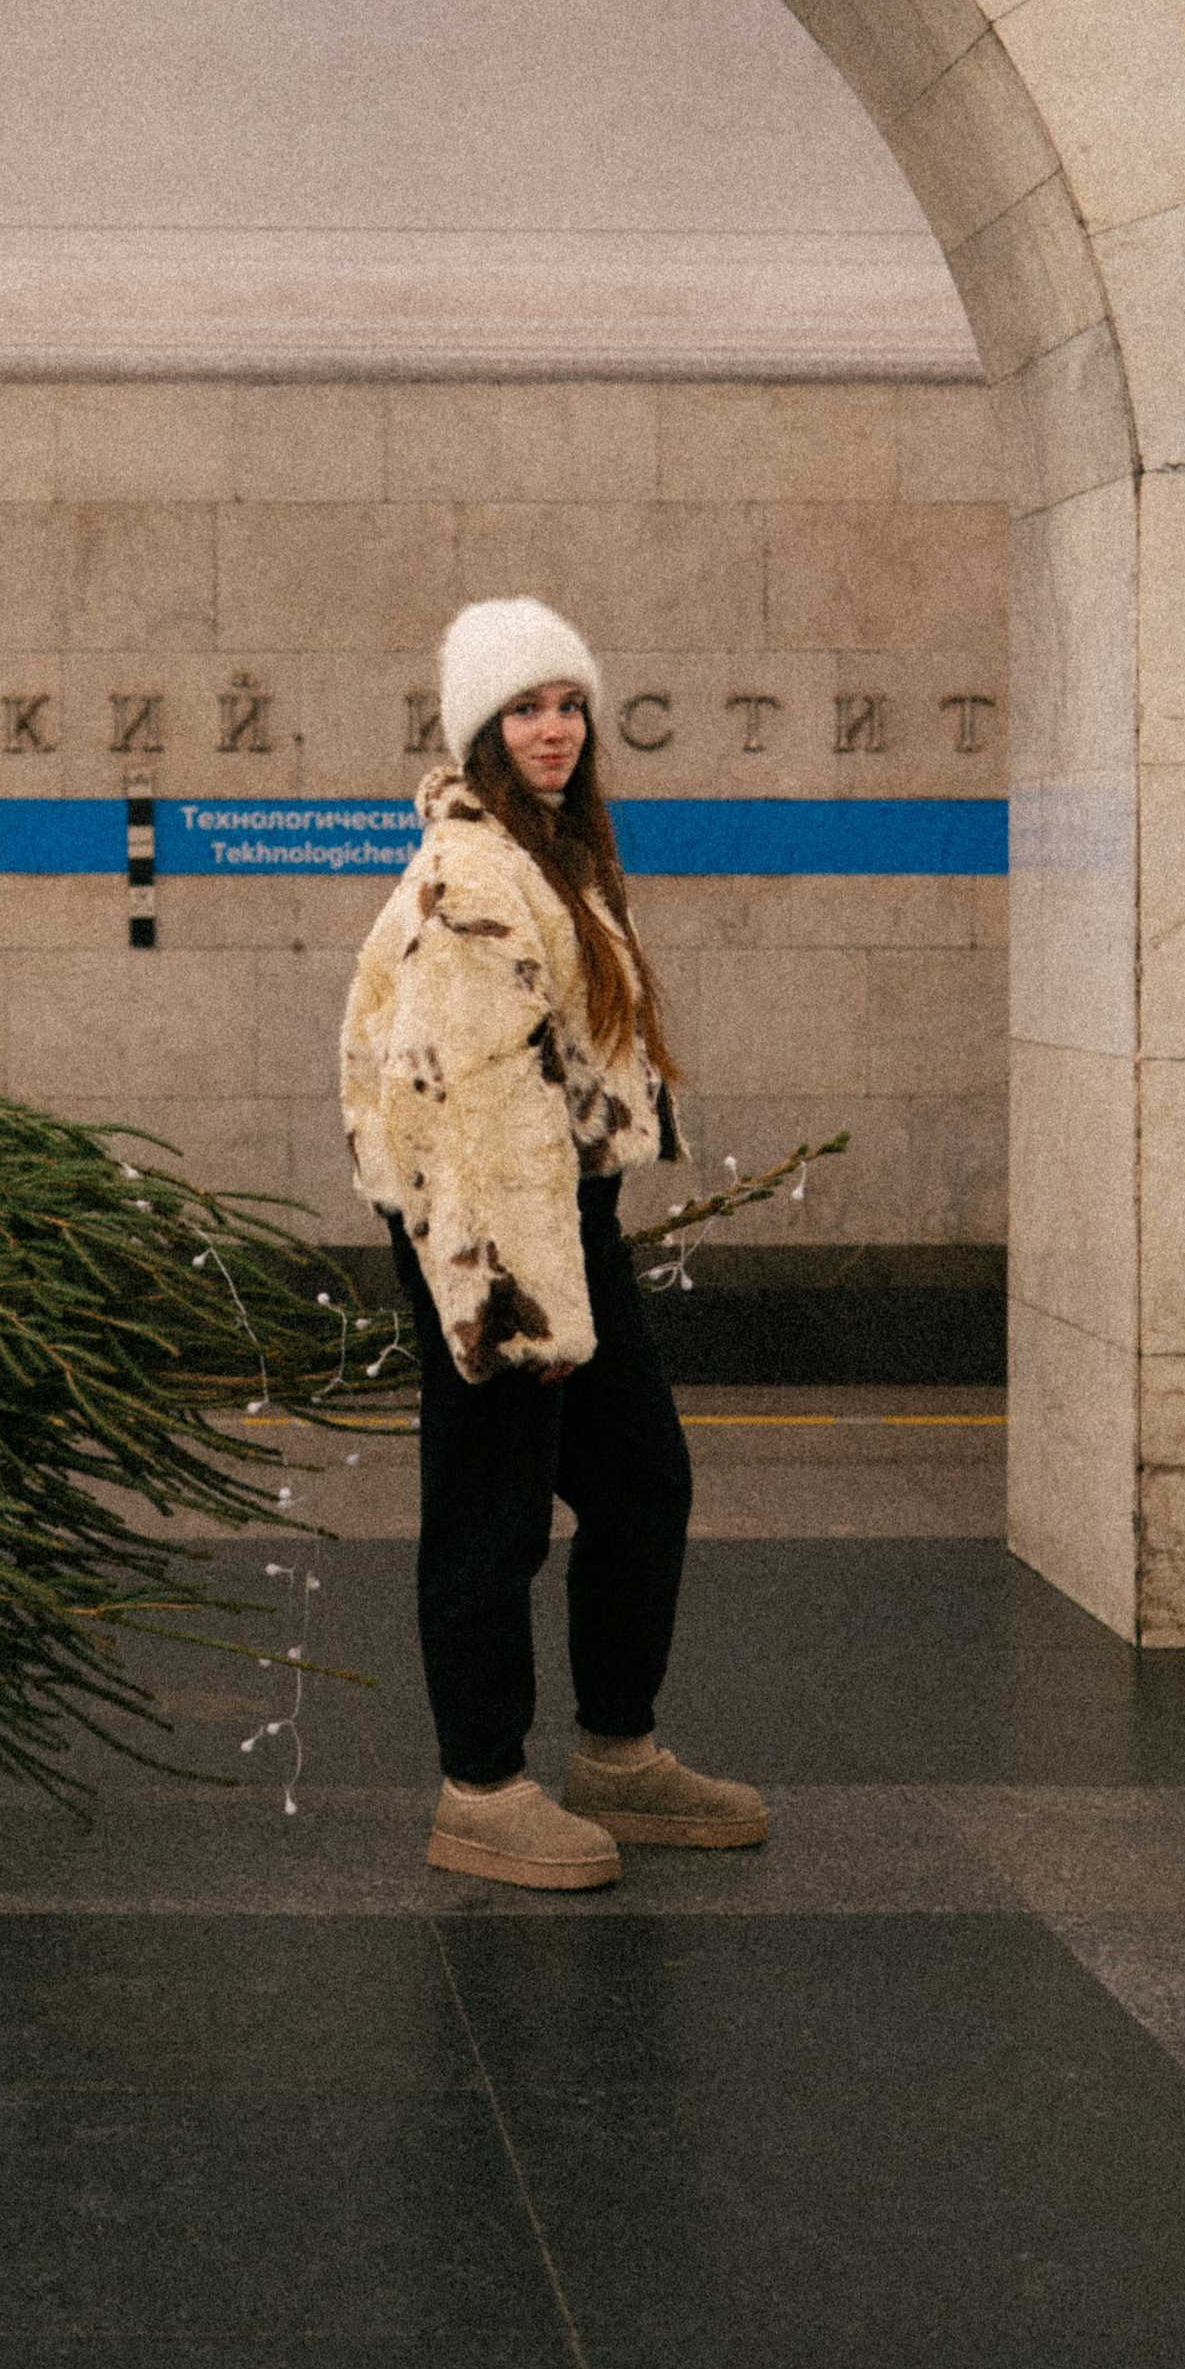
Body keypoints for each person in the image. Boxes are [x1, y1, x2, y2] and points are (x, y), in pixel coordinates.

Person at [341, 597, 766, 1891]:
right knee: (490, 1517)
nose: (554, 728)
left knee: (640, 1484)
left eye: (568, 703)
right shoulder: (472, 876)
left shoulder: (552, 855)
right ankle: (482, 1788)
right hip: (490, 1238)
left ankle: (618, 1757)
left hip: (561, 1219)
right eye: (524, 708)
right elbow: (472, 1113)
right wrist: (522, 1308)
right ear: (479, 730)